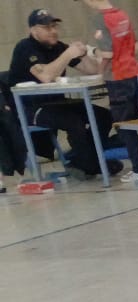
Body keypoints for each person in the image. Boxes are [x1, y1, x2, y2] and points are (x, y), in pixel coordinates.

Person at [7, 9, 120, 180]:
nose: (53, 31)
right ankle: (90, 164)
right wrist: (68, 54)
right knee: (73, 121)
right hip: (30, 107)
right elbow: (45, 76)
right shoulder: (25, 47)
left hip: (57, 102)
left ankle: (82, 160)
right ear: (33, 30)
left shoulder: (58, 46)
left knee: (103, 115)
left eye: (54, 26)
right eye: (47, 28)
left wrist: (86, 53)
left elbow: (93, 70)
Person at [78, 0, 138, 182]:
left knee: (124, 126)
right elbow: (136, 47)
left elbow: (108, 54)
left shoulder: (101, 19)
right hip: (133, 73)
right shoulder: (122, 15)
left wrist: (97, 64)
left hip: (118, 77)